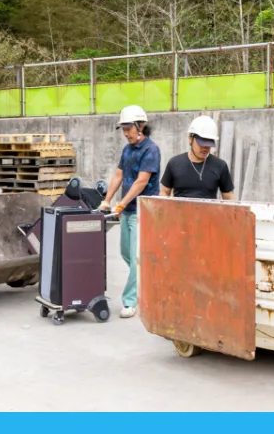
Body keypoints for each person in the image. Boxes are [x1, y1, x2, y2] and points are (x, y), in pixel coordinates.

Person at [99, 105, 161, 318]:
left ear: (140, 126)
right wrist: (107, 200)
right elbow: (118, 175)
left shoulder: (151, 150)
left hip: (143, 211)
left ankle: (130, 301)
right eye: (123, 129)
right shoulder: (127, 150)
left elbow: (141, 182)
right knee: (127, 253)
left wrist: (122, 203)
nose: (126, 133)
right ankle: (149, 279)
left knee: (135, 257)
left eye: (129, 129)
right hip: (127, 210)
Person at [160, 115, 236, 201]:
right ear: (190, 139)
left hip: (208, 213)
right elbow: (164, 192)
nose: (205, 148)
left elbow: (228, 197)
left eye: (209, 144)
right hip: (180, 213)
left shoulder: (220, 166)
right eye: (201, 143)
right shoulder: (174, 163)